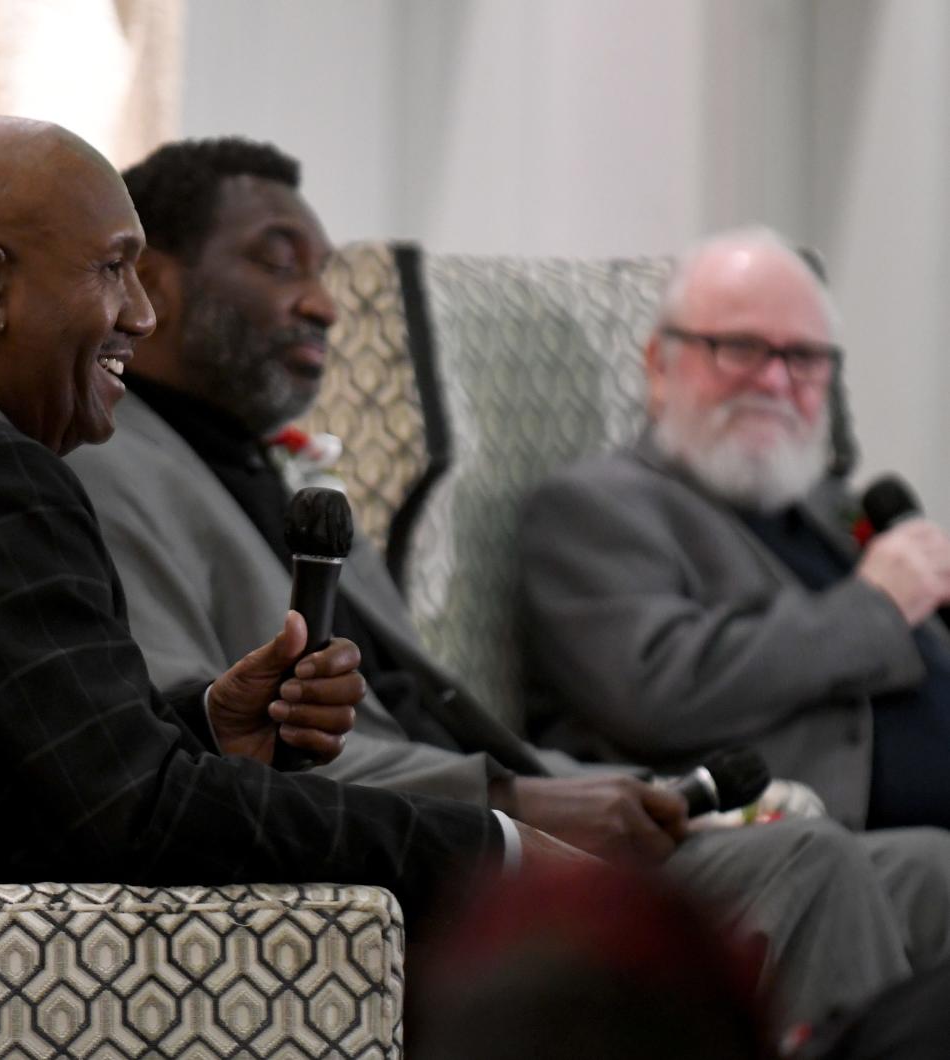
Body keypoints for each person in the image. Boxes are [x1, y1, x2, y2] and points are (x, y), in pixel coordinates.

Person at [64, 137, 950, 1027]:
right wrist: (511, 801)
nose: (325, 305)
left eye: (326, 271)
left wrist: (633, 794)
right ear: (155, 282)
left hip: (486, 806)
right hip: (395, 852)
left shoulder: (283, 476)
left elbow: (414, 705)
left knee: (928, 874)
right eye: (279, 261)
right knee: (808, 865)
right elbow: (186, 749)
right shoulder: (107, 467)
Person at [0, 116, 580, 932]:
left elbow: (17, 758)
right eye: (114, 269)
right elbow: (140, 818)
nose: (142, 316)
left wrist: (207, 723)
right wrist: (493, 851)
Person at [518, 225, 950, 835]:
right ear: (659, 365)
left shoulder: (831, 507)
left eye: (802, 357)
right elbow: (655, 692)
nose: (775, 382)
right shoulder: (592, 508)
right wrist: (874, 608)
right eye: (741, 348)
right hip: (792, 847)